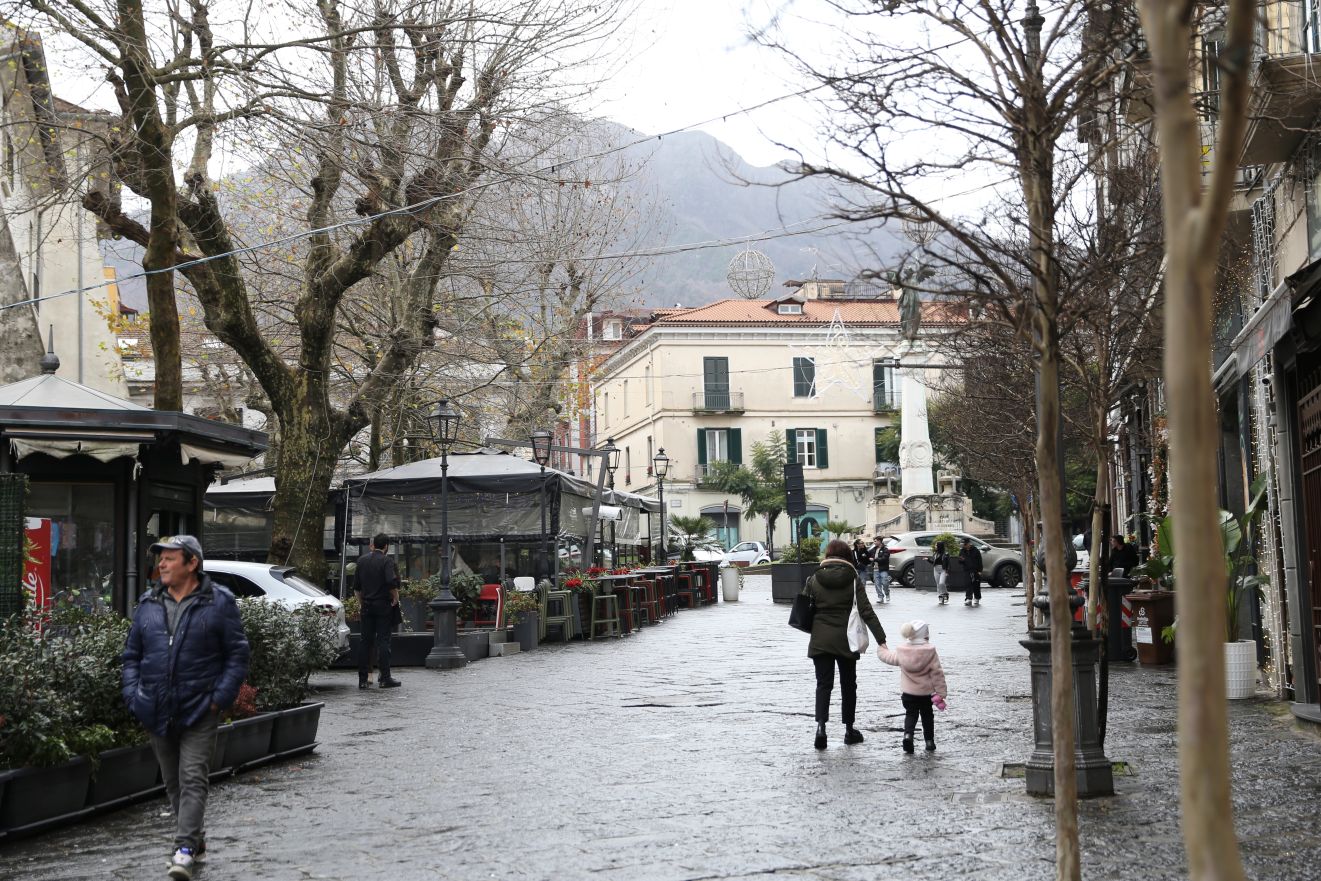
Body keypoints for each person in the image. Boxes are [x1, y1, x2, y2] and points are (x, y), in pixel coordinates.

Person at [122, 536, 250, 881]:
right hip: (155, 708)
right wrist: (134, 696)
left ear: (192, 563)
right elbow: (131, 655)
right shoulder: (148, 603)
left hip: (200, 708)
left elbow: (237, 654)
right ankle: (195, 837)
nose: (161, 564)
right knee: (173, 782)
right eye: (160, 558)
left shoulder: (219, 602)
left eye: (169, 558)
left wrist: (218, 699)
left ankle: (183, 850)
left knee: (193, 777)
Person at [803, 539, 887, 750]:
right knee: (848, 685)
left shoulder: (814, 578)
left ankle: (821, 729)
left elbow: (804, 607)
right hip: (847, 639)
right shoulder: (853, 579)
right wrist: (881, 639)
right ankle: (849, 730)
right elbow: (866, 611)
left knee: (823, 685)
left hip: (821, 639)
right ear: (847, 556)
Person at [876, 619, 948, 753]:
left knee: (911, 714)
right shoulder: (930, 651)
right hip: (926, 694)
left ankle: (908, 735)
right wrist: (941, 692)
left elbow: (888, 657)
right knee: (927, 716)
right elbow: (937, 673)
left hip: (908, 694)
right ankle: (929, 741)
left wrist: (881, 648)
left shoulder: (903, 651)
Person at [355, 533, 402, 690]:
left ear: (373, 544)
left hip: (367, 606)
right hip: (382, 605)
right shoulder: (386, 561)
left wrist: (361, 603)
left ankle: (363, 680)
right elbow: (391, 581)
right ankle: (385, 678)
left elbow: (357, 588)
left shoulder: (361, 561)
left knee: (365, 642)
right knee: (383, 641)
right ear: (386, 546)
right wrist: (395, 597)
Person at [959, 537, 983, 606]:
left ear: (969, 544)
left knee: (976, 585)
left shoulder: (975, 550)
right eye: (963, 544)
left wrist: (980, 570)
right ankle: (968, 598)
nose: (963, 546)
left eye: (965, 544)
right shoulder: (962, 551)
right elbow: (959, 561)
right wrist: (961, 560)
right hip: (967, 570)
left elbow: (980, 561)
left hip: (975, 570)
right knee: (968, 584)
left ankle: (977, 598)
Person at [871, 535, 892, 603]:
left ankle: (887, 594)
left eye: (875, 541)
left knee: (885, 583)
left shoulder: (885, 549)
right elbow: (868, 554)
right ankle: (880, 597)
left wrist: (874, 559)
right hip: (875, 569)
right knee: (877, 584)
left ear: (879, 541)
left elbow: (884, 559)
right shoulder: (874, 549)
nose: (874, 542)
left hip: (883, 569)